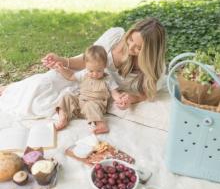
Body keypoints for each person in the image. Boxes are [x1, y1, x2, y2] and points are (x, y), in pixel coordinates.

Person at [0, 18, 166, 119]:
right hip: (80, 76)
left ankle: (10, 92)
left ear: (151, 52)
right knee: (42, 83)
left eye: (138, 48)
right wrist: (61, 60)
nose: (130, 48)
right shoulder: (116, 36)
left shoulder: (156, 70)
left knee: (45, 106)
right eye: (130, 40)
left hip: (93, 91)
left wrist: (130, 98)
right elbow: (85, 61)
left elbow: (146, 93)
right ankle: (9, 89)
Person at [54, 45, 121, 133]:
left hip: (96, 108)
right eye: (91, 71)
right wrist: (62, 69)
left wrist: (119, 98)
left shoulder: (108, 79)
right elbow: (71, 76)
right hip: (80, 105)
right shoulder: (84, 74)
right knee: (66, 96)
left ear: (104, 66)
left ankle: (101, 124)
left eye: (99, 71)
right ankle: (63, 117)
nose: (95, 74)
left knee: (90, 105)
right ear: (86, 65)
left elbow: (114, 93)